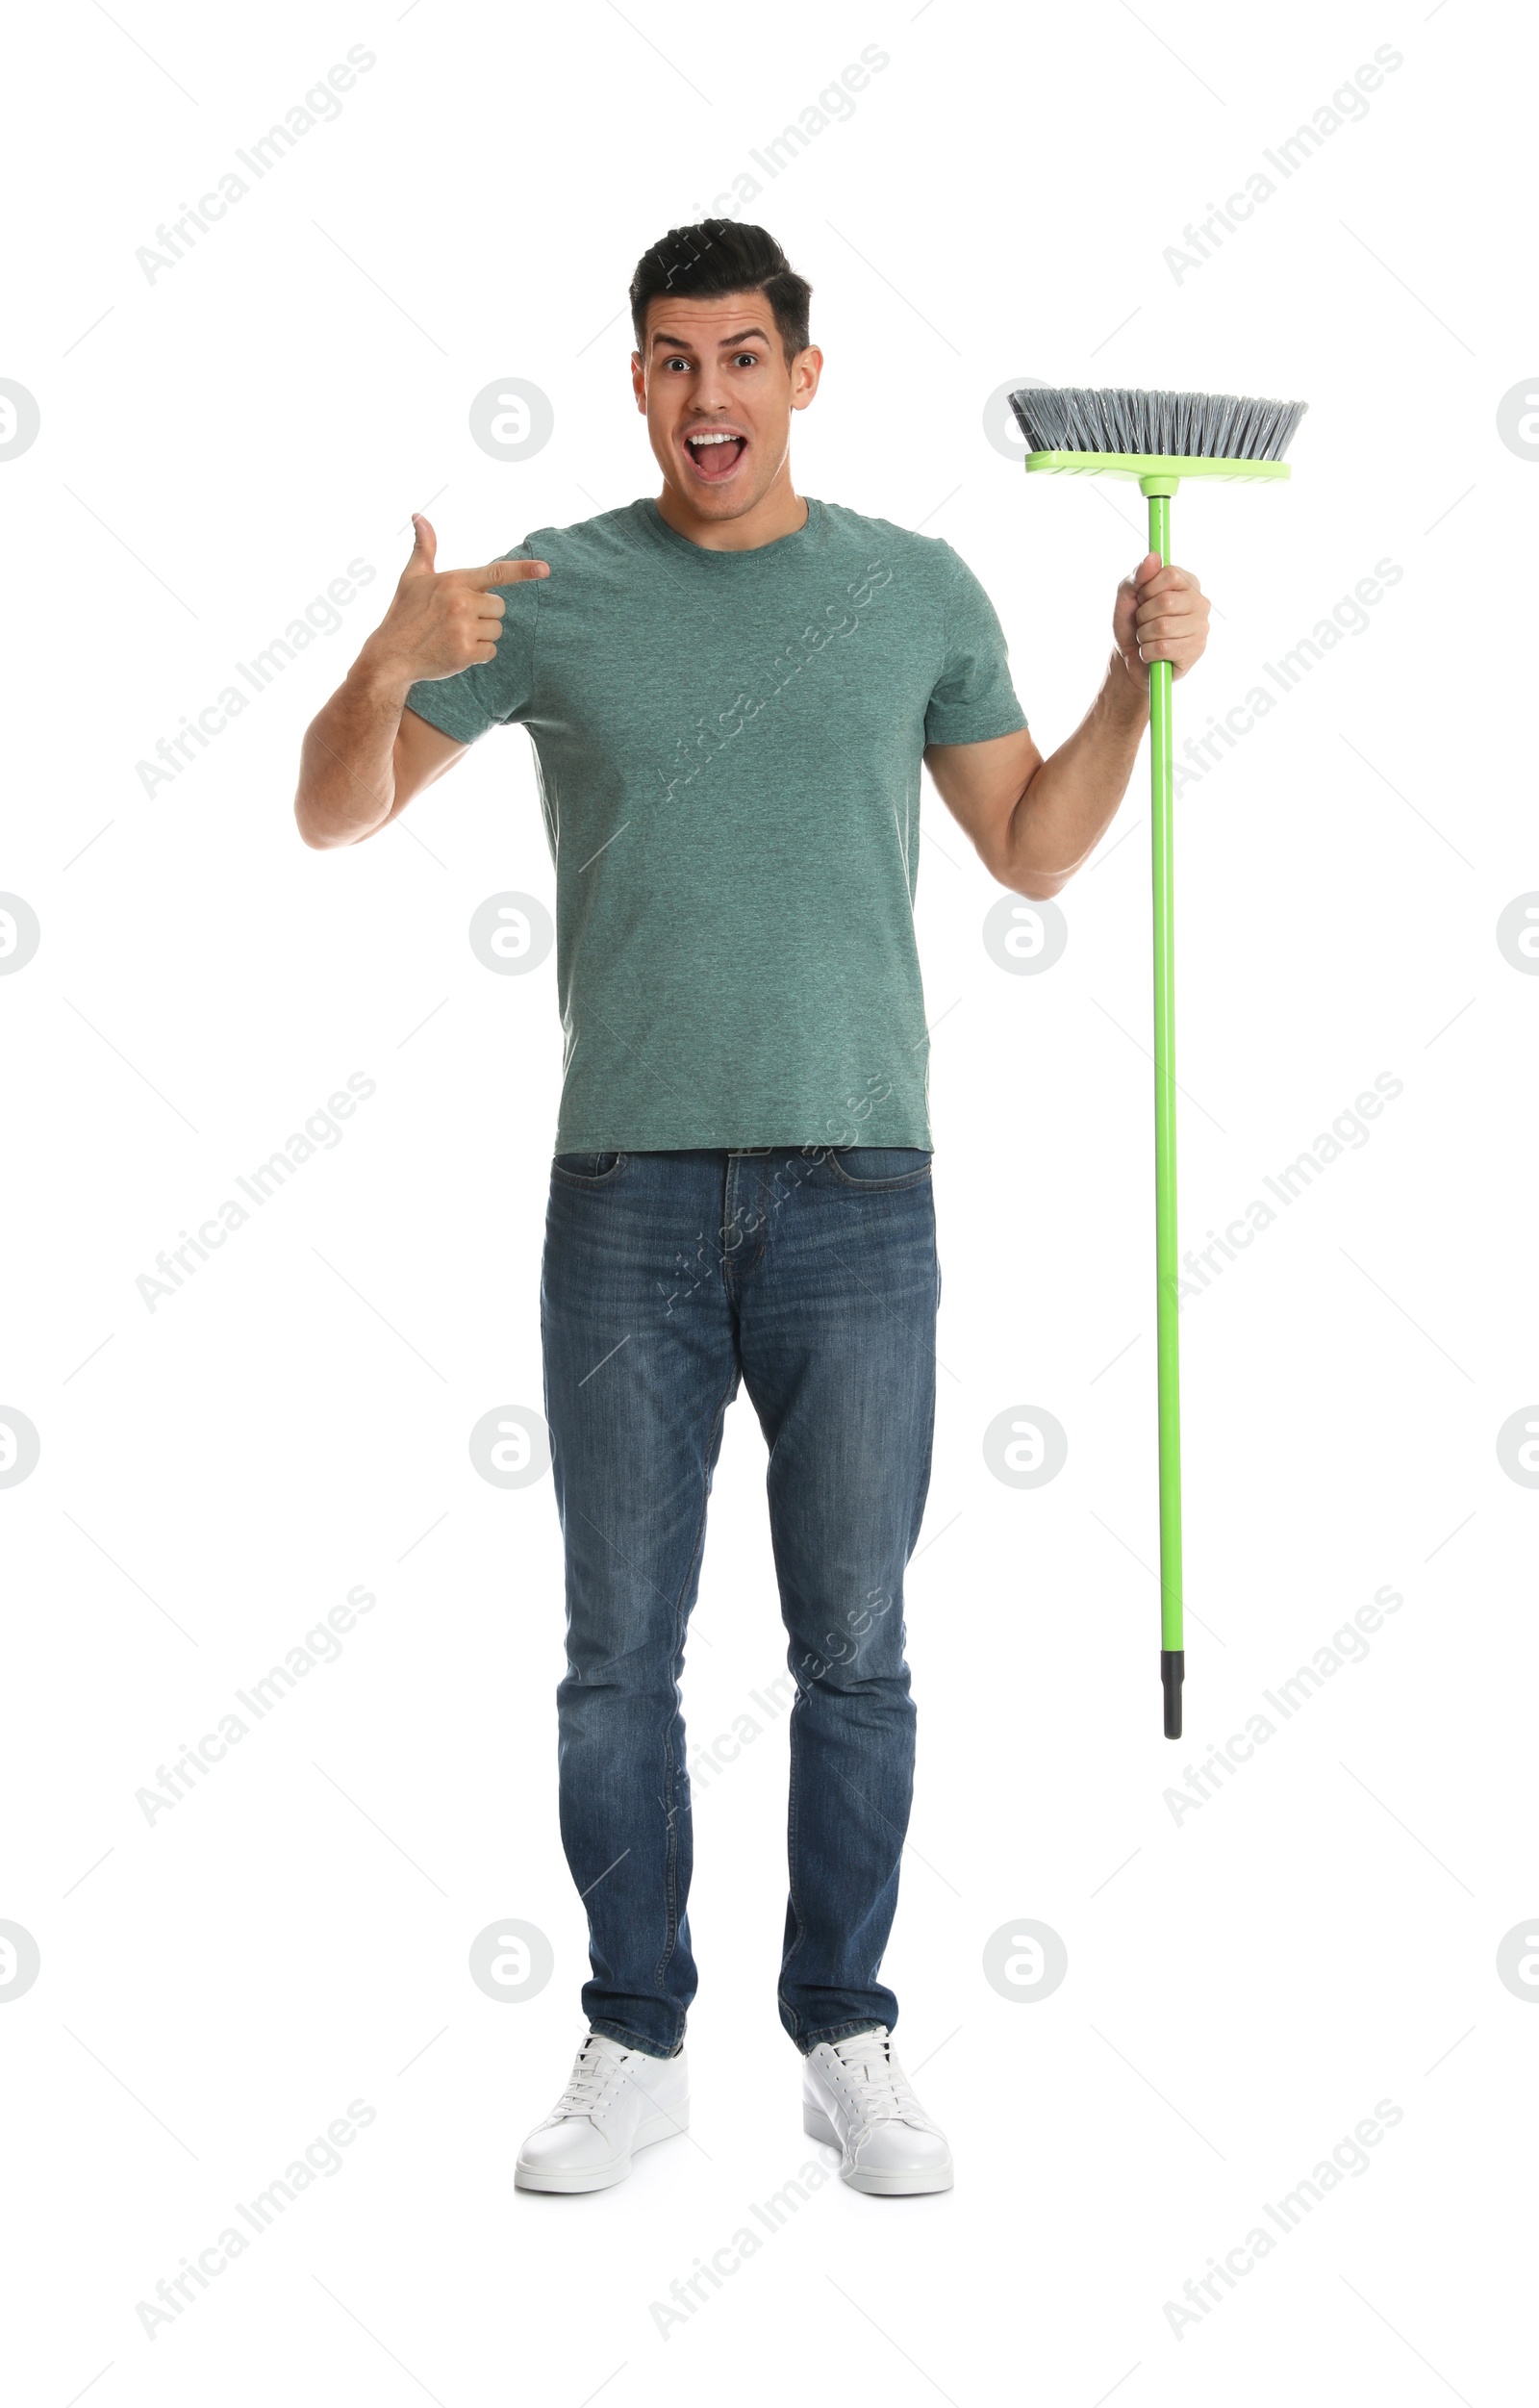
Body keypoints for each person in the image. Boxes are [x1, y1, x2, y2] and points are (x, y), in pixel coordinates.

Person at [294, 218, 1210, 2198]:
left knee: (854, 1642)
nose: (703, 395)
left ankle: (844, 2030)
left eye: (737, 356)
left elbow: (1033, 846)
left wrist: (1126, 683)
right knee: (614, 1648)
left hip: (855, 1191)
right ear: (633, 380)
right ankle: (632, 2035)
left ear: (804, 372)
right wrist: (384, 653)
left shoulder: (911, 590)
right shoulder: (542, 596)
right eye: (666, 360)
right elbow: (332, 810)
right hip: (621, 1189)